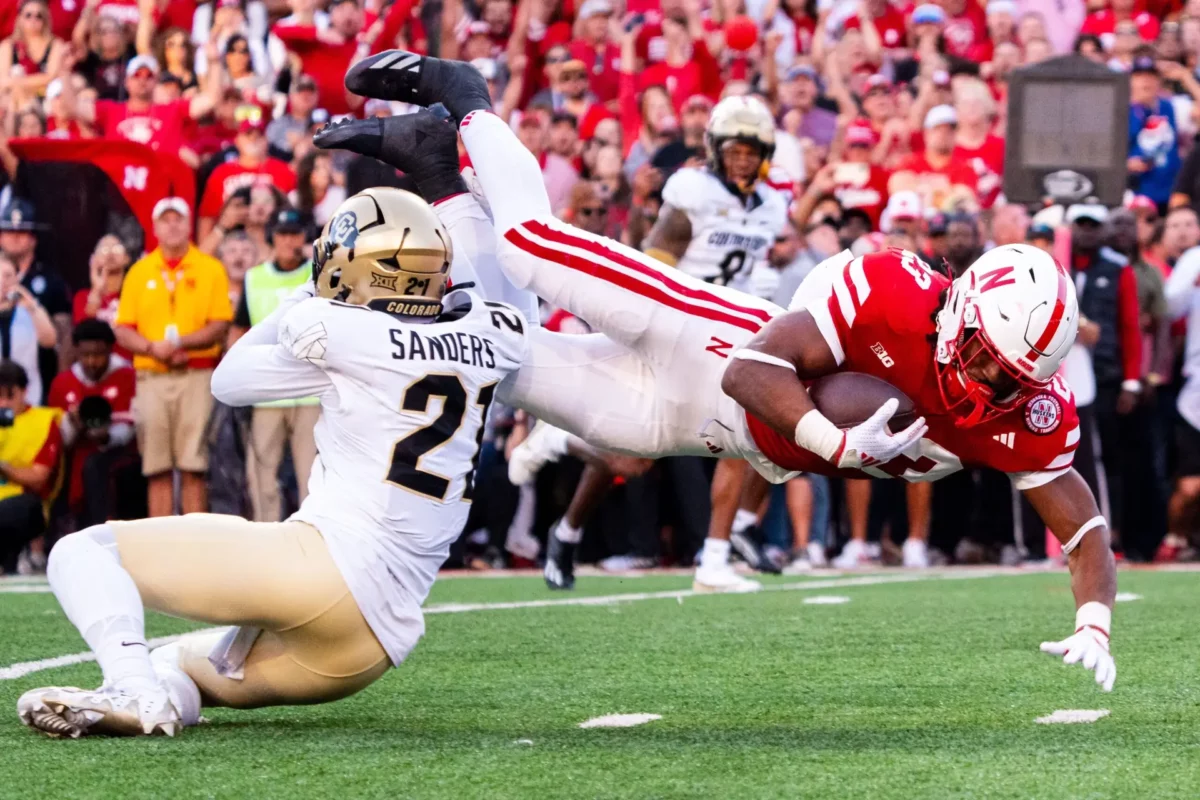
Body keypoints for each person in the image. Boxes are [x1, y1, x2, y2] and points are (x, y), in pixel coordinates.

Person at [324, 51, 1122, 692]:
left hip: (694, 429)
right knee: (529, 246)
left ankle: (433, 169)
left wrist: (1094, 619)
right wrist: (835, 448)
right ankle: (468, 99)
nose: (988, 380)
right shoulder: (892, 290)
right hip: (703, 333)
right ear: (965, 307)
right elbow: (752, 369)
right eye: (983, 353)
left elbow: (1081, 525)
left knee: (495, 353)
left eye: (1010, 374)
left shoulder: (1022, 408)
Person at [17, 187, 530, 739]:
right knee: (177, 666)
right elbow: (494, 305)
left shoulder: (347, 333)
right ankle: (145, 697)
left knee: (80, 553)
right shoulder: (494, 334)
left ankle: (127, 685)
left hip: (326, 572)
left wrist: (304, 294)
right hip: (370, 646)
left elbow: (229, 379)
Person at [114, 198, 232, 517]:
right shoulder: (139, 272)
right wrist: (154, 348)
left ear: (188, 224)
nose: (172, 226)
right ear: (154, 228)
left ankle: (193, 544)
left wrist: (182, 343)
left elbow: (220, 324)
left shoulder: (210, 268)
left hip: (196, 374)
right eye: (165, 220)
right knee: (157, 467)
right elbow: (123, 329)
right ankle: (160, 545)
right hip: (153, 375)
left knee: (195, 465)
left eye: (178, 219)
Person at [229, 209, 317, 522]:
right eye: (282, 234)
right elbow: (239, 330)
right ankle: (267, 542)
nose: (288, 240)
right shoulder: (255, 278)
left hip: (310, 390)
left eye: (294, 233)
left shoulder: (319, 274)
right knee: (262, 476)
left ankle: (314, 542)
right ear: (272, 238)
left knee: (313, 476)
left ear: (304, 237)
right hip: (268, 390)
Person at [46, 319, 140, 527]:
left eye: (98, 355)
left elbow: (127, 431)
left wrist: (103, 434)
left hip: (119, 459)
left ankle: (103, 525)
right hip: (73, 459)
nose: (91, 361)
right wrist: (75, 424)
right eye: (85, 355)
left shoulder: (127, 377)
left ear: (110, 350)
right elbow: (58, 438)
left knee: (97, 465)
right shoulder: (62, 383)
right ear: (76, 351)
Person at [0, 199, 70, 401]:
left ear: (33, 238)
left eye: (21, 232)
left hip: (33, 382)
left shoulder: (51, 280)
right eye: (8, 232)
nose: (14, 238)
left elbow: (60, 336)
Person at [0, 360, 61, 572]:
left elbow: (40, 478)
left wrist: (4, 467)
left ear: (24, 391)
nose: (3, 404)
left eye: (9, 396)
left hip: (22, 505)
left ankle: (25, 556)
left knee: (21, 510)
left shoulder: (43, 421)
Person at [0, 251, 57, 405]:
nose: (2, 282)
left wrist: (31, 307)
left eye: (8, 276)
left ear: (17, 278)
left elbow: (49, 341)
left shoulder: (31, 310)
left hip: (28, 398)